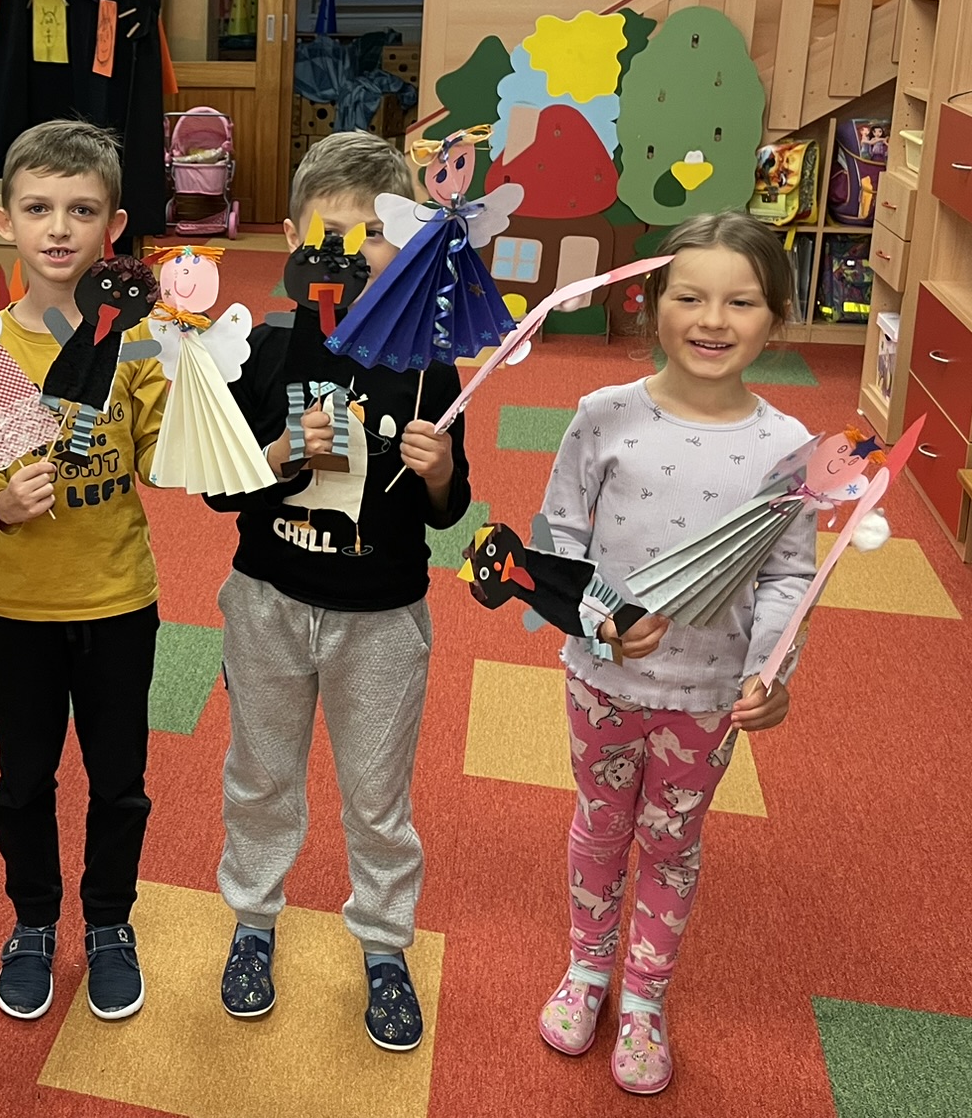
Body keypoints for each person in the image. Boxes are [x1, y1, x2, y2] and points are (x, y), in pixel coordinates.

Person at [534, 211, 815, 1096]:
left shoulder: (788, 449)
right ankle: (587, 969)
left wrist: (771, 672)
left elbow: (789, 573)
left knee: (671, 842)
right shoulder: (603, 415)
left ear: (775, 317)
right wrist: (600, 618)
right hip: (602, 681)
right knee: (600, 824)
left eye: (742, 302)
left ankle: (645, 998)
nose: (713, 320)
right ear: (652, 302)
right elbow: (558, 537)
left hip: (708, 696)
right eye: (689, 297)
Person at [201, 131, 470, 1049]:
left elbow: (448, 512)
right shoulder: (262, 351)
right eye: (329, 236)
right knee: (260, 777)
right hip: (268, 602)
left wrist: (438, 471)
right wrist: (282, 452)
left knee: (378, 795)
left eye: (375, 235)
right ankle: (253, 923)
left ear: (408, 242)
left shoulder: (427, 364)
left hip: (383, 618)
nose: (351, 254)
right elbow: (219, 487)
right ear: (292, 237)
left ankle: (385, 944)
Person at [0, 120, 166, 1024]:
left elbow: (159, 458)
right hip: (20, 605)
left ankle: (109, 921)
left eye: (82, 210)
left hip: (118, 597)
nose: (60, 228)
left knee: (119, 781)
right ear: (5, 222)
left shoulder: (136, 342)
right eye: (39, 208)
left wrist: (213, 412)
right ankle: (34, 919)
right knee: (24, 779)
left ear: (113, 225)